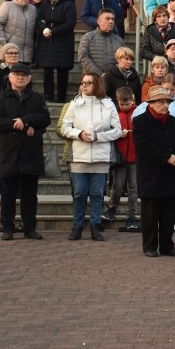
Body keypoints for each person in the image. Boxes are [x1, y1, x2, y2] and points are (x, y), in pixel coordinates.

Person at [0, 63, 50, 241]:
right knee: (7, 193)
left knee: (30, 195)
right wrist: (21, 126)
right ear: (10, 77)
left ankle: (30, 227)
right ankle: (8, 227)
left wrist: (27, 120)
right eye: (16, 74)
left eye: (24, 75)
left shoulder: (37, 98)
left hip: (31, 153)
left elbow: (45, 119)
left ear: (29, 78)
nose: (20, 77)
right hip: (9, 154)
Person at [62, 73, 122, 241]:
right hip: (79, 154)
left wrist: (98, 137)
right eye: (83, 83)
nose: (84, 85)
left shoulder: (108, 104)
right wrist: (79, 134)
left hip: (101, 155)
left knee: (96, 192)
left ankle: (95, 226)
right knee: (80, 192)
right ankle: (77, 226)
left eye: (89, 83)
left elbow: (117, 130)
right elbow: (64, 127)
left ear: (98, 84)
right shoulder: (75, 104)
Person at [133, 85, 175, 257]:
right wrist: (166, 156)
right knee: (150, 213)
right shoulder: (140, 122)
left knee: (169, 213)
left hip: (171, 173)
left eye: (167, 102)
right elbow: (143, 145)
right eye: (161, 102)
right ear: (150, 103)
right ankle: (150, 246)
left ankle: (167, 245)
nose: (165, 105)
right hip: (151, 174)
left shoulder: (174, 122)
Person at [102, 87, 139, 230]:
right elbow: (108, 131)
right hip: (120, 156)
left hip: (135, 157)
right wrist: (118, 134)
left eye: (127, 104)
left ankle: (131, 217)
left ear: (132, 100)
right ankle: (112, 208)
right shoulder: (114, 114)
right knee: (116, 185)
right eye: (122, 104)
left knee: (133, 188)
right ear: (117, 102)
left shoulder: (138, 112)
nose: (124, 107)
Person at [35, 0, 77, 103]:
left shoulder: (68, 4)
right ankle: (48, 96)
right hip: (46, 39)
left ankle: (61, 97)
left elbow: (70, 23)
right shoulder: (45, 3)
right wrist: (44, 29)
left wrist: (53, 31)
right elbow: (39, 19)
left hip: (63, 40)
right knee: (47, 69)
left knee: (62, 70)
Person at [0, 0, 38, 64]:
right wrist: (1, 40)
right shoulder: (7, 6)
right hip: (10, 49)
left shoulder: (33, 9)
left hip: (27, 52)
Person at [77, 8, 125, 76]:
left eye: (112, 19)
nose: (111, 21)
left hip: (112, 81)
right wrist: (100, 74)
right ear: (99, 22)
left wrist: (112, 77)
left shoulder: (120, 41)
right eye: (107, 19)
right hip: (93, 80)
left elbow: (123, 61)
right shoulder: (87, 37)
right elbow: (83, 57)